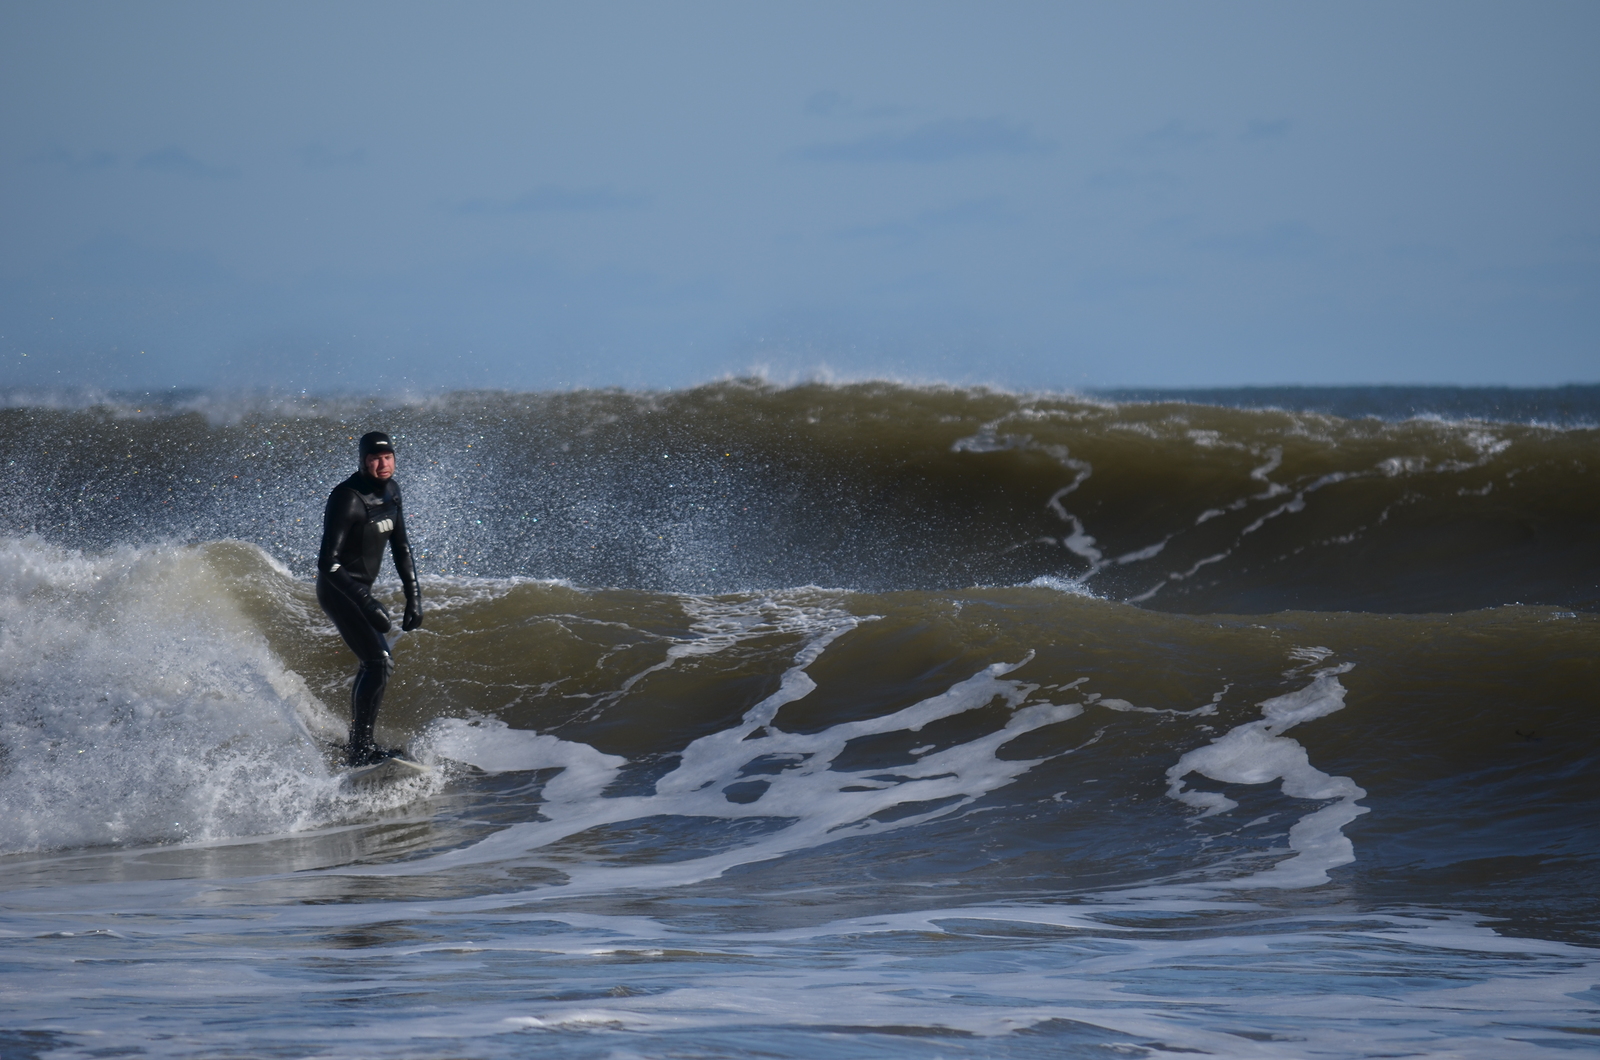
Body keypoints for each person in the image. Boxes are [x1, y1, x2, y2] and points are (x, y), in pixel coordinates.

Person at [317, 431, 423, 766]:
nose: (383, 464)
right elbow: (327, 562)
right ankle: (360, 750)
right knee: (378, 661)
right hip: (340, 591)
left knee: (378, 664)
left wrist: (414, 596)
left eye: (388, 457)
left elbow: (401, 547)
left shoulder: (392, 491)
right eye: (375, 459)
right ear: (363, 461)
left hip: (360, 592)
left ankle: (359, 745)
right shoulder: (347, 498)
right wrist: (365, 601)